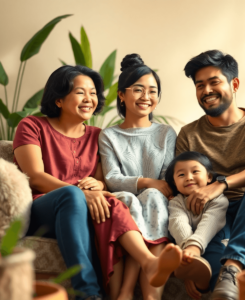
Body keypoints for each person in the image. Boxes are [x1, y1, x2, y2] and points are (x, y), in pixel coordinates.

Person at [13, 65, 182, 300]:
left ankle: (147, 265)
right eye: (80, 92)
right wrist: (81, 193)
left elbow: (103, 182)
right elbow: (35, 176)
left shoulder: (97, 135)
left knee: (118, 202)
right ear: (59, 99)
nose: (89, 99)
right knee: (72, 196)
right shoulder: (32, 126)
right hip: (44, 209)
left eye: (93, 93)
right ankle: (88, 293)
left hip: (86, 209)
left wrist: (99, 187)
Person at [176, 50, 245, 300]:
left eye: (214, 82)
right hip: (216, 214)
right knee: (204, 224)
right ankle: (216, 283)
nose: (206, 90)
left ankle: (234, 266)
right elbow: (183, 183)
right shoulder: (188, 134)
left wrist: (221, 184)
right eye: (199, 85)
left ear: (234, 84)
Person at [98, 53, 177, 300]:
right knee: (126, 200)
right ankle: (127, 291)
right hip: (125, 199)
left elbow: (166, 180)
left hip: (156, 201)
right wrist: (146, 182)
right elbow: (111, 177)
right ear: (122, 94)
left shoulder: (166, 133)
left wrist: (153, 187)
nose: (146, 97)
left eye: (153, 91)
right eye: (138, 89)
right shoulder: (108, 135)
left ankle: (135, 294)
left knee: (153, 197)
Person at [165, 151, 228, 295]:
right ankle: (198, 277)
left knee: (216, 253)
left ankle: (206, 284)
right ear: (174, 183)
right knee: (173, 240)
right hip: (186, 244)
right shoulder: (176, 202)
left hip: (213, 237)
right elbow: (178, 223)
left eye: (195, 171)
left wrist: (194, 247)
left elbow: (211, 222)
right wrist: (189, 252)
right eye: (181, 175)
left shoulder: (218, 198)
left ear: (209, 177)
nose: (188, 177)